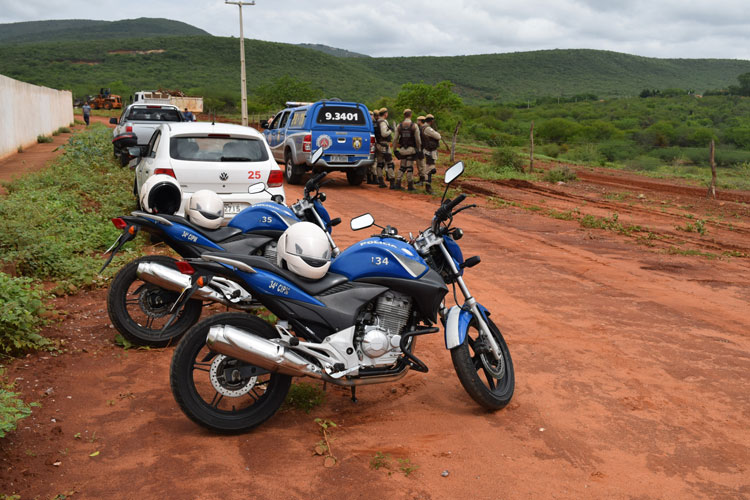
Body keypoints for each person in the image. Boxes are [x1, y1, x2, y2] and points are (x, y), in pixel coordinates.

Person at [392, 108, 421, 191]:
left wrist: (394, 150)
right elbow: (418, 140)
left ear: (404, 115)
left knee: (402, 167)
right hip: (411, 150)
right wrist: (418, 149)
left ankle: (397, 183)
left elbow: (395, 139)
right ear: (410, 115)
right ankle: (410, 185)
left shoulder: (399, 126)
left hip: (402, 150)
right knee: (410, 168)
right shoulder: (414, 125)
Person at [374, 107, 395, 189]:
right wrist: (390, 130)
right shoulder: (382, 122)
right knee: (389, 163)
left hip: (378, 144)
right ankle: (392, 182)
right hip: (384, 145)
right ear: (385, 114)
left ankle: (381, 181)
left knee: (380, 163)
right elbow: (384, 134)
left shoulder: (376, 122)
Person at [420, 114, 442, 194]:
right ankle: (428, 188)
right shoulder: (428, 129)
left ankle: (427, 186)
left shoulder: (422, 127)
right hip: (430, 150)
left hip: (426, 149)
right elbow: (438, 136)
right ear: (432, 121)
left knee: (428, 168)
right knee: (430, 169)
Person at [366, 110, 378, 184]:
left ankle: (369, 179)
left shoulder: (367, 123)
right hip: (372, 144)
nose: (371, 116)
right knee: (373, 162)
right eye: (370, 115)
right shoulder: (374, 124)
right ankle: (374, 178)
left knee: (369, 162)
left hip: (368, 143)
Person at [414, 116, 426, 186]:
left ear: (420, 121)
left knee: (421, 165)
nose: (417, 122)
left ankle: (422, 180)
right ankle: (420, 180)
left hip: (421, 149)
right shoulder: (421, 128)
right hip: (420, 149)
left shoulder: (423, 129)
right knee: (419, 165)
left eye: (418, 120)